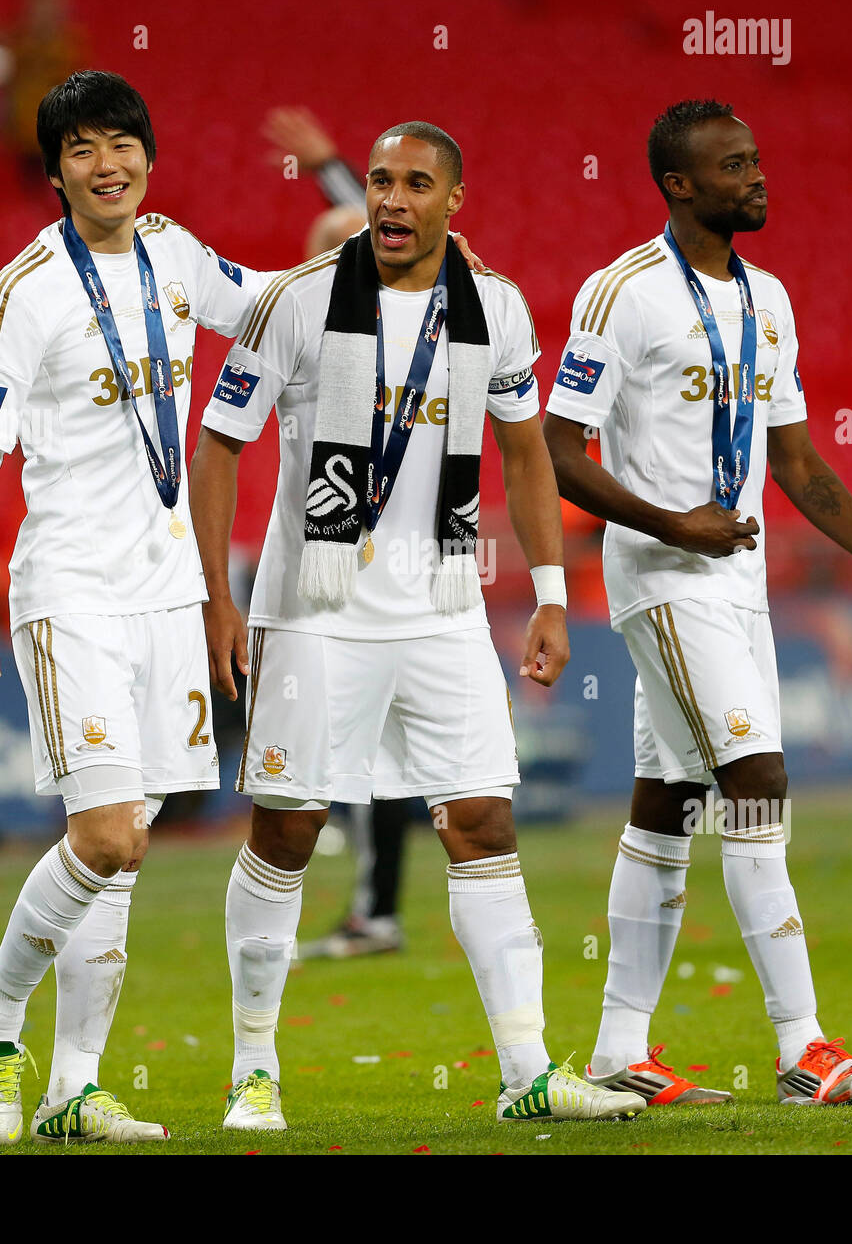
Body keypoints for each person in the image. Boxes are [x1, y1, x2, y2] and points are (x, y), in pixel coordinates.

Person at [191, 121, 643, 1130]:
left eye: (415, 184)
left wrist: (553, 594)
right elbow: (218, 442)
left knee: (482, 820)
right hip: (315, 609)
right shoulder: (296, 302)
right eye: (382, 181)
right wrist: (215, 595)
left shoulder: (500, 308)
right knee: (290, 827)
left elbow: (526, 452)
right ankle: (252, 1067)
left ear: (454, 201)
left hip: (440, 604)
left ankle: (527, 1068)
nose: (392, 200)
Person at [543, 99, 852, 1109]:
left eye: (757, 159)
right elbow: (556, 449)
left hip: (739, 587)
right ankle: (802, 1045)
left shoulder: (769, 299)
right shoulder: (620, 294)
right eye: (735, 166)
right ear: (680, 185)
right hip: (664, 584)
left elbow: (797, 462)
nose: (758, 177)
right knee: (756, 781)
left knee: (668, 804)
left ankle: (616, 1049)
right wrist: (669, 525)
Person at [0, 69, 270, 1146]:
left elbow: (266, 301)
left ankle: (74, 1087)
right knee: (106, 834)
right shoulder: (20, 290)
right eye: (81, 148)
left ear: (149, 155)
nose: (106, 163)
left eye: (121, 141)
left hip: (167, 592)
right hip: (70, 589)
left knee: (133, 843)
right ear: (53, 174)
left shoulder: (175, 251)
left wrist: (389, 254)